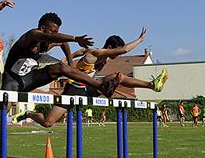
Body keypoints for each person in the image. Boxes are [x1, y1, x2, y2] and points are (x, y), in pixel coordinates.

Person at [0, 13, 136, 128]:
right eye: (53, 31)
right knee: (1, 110)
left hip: (30, 77)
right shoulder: (31, 35)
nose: (55, 34)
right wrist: (74, 38)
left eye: (57, 31)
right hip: (12, 78)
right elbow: (55, 38)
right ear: (43, 28)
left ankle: (99, 85)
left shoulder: (48, 42)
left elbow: (62, 43)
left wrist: (71, 62)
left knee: (60, 68)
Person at [15, 31, 167, 129]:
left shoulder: (99, 56)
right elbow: (124, 50)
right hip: (73, 90)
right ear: (109, 47)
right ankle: (29, 113)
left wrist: (69, 59)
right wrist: (140, 40)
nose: (117, 56)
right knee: (48, 123)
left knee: (117, 76)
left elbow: (79, 51)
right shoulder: (95, 54)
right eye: (115, 51)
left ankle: (152, 85)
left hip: (89, 89)